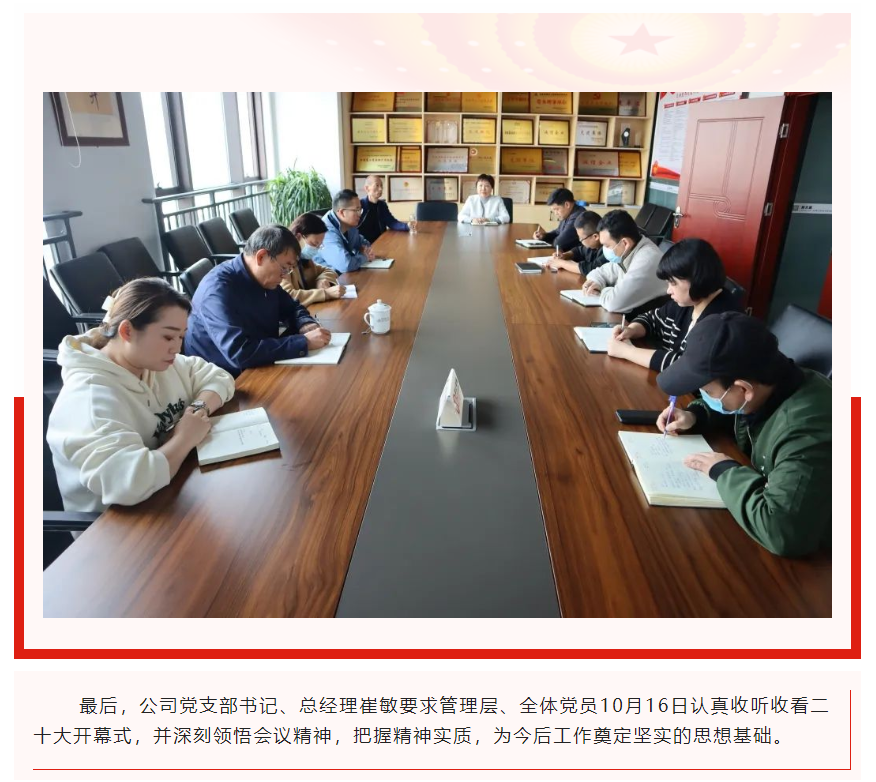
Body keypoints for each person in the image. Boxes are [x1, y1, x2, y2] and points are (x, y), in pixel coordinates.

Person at [46, 277, 236, 513]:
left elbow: (219, 377)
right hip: (117, 525)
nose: (177, 348)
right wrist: (185, 437)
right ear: (127, 331)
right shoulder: (88, 400)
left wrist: (197, 409)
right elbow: (130, 483)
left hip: (168, 493)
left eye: (181, 337)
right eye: (168, 337)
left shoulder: (154, 362)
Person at [656, 311, 831, 557]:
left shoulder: (806, 431)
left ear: (743, 389)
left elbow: (782, 531)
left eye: (707, 391)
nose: (703, 395)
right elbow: (740, 411)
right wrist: (696, 415)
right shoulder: (771, 380)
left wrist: (724, 471)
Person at [184, 224, 332, 377]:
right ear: (261, 257)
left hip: (260, 363)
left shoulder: (264, 278)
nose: (285, 276)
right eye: (284, 268)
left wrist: (305, 323)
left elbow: (292, 307)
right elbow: (239, 352)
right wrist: (303, 342)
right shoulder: (217, 290)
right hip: (224, 378)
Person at [607, 238, 740, 369]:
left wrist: (626, 352)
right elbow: (652, 319)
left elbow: (685, 367)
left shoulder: (721, 322)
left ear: (696, 279)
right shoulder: (688, 302)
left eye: (673, 283)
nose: (668, 290)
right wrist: (632, 330)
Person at [582, 209, 667, 314]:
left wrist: (602, 290)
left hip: (645, 320)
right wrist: (596, 282)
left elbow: (613, 303)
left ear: (625, 243)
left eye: (607, 245)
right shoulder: (629, 252)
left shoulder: (646, 260)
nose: (604, 250)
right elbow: (601, 271)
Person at [284, 213, 346, 305]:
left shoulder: (304, 259)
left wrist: (322, 280)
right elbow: (287, 296)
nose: (316, 249)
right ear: (299, 237)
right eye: (314, 244)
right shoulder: (284, 262)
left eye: (319, 245)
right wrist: (325, 294)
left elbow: (328, 270)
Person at [319, 189, 376, 273]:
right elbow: (346, 265)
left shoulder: (349, 224)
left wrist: (364, 249)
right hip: (327, 277)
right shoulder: (325, 231)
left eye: (360, 209)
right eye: (356, 210)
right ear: (342, 212)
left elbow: (362, 243)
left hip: (346, 274)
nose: (360, 214)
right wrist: (365, 257)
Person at [547, 211, 605, 275]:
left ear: (595, 237)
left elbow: (592, 268)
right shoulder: (592, 246)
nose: (580, 240)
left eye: (581, 238)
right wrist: (564, 255)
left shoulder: (607, 249)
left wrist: (562, 263)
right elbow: (578, 251)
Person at [358, 175, 410, 243]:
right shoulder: (360, 205)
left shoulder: (382, 205)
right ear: (367, 188)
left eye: (381, 186)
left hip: (381, 241)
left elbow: (392, 222)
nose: (380, 189)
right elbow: (354, 228)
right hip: (364, 244)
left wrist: (407, 226)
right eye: (377, 185)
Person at [532, 188, 585, 252]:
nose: (555, 213)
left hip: (575, 256)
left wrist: (547, 240)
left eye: (557, 209)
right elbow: (558, 232)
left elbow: (559, 243)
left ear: (567, 205)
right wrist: (544, 236)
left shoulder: (579, 217)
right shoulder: (569, 213)